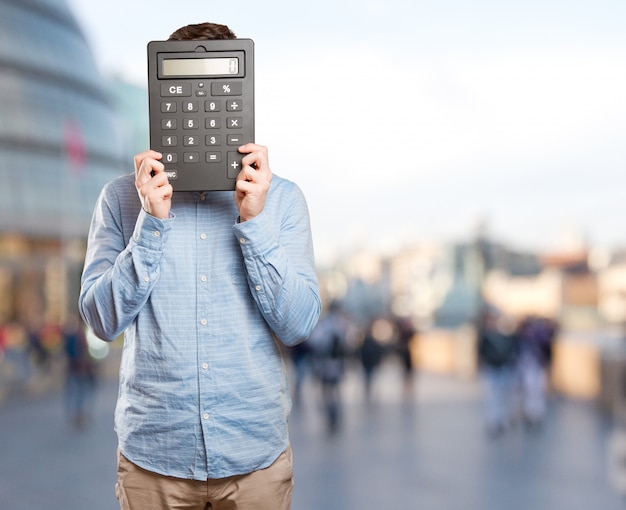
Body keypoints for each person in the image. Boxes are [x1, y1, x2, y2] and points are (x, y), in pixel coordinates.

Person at [78, 22, 321, 510]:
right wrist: (150, 225)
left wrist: (254, 224)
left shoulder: (284, 200)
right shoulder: (120, 199)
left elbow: (298, 325)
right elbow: (101, 321)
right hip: (153, 458)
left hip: (255, 455)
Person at [476, 306, 520, 437]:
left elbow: (512, 350)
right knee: (492, 397)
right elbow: (480, 352)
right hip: (491, 368)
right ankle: (493, 421)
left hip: (504, 368)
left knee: (503, 396)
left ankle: (501, 420)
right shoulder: (485, 335)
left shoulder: (505, 334)